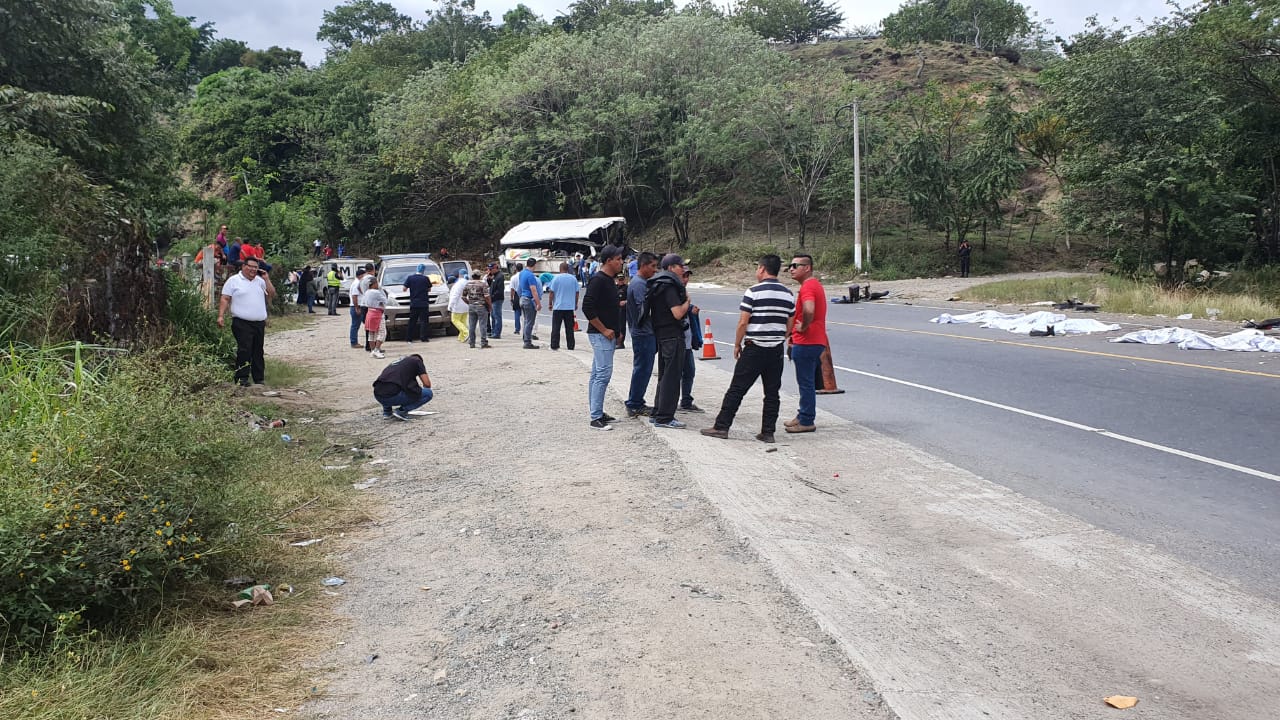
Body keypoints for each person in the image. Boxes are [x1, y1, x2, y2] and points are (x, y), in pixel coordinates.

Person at [700, 255, 794, 443]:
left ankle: (721, 426)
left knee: (737, 389)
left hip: (754, 348)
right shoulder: (788, 294)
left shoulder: (753, 292)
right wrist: (778, 337)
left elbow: (743, 322)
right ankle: (768, 432)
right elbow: (790, 324)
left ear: (762, 269)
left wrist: (737, 343)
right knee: (772, 393)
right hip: (775, 350)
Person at [582, 245, 625, 430]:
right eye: (618, 259)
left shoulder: (609, 280)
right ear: (609, 261)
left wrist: (617, 330)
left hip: (608, 333)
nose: (621, 262)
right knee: (603, 375)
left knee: (596, 374)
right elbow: (587, 308)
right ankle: (596, 417)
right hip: (600, 335)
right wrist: (604, 329)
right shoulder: (598, 280)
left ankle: (597, 411)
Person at [647, 254, 692, 429]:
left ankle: (658, 412)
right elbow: (678, 313)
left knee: (664, 377)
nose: (683, 269)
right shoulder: (669, 286)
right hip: (673, 336)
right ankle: (665, 417)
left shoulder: (658, 283)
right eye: (681, 266)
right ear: (671, 268)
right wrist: (687, 302)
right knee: (672, 378)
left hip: (662, 334)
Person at [785, 254, 828, 434]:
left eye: (796, 265)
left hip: (808, 342)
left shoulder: (808, 286)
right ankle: (802, 414)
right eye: (790, 265)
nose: (791, 269)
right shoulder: (813, 285)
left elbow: (809, 309)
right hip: (813, 341)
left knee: (806, 383)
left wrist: (803, 326)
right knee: (806, 381)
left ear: (807, 268)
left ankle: (807, 419)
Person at [217, 257, 275, 387]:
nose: (253, 269)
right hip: (241, 322)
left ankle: (259, 378)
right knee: (245, 349)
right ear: (243, 266)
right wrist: (220, 316)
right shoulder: (234, 281)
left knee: (258, 351)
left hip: (259, 322)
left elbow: (271, 294)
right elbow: (225, 298)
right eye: (251, 266)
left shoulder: (260, 281)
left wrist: (266, 278)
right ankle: (242, 378)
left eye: (256, 267)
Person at [624, 252, 659, 417]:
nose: (655, 270)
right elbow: (643, 310)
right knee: (642, 369)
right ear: (643, 265)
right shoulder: (639, 284)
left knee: (643, 368)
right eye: (652, 266)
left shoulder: (642, 282)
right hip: (643, 333)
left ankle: (636, 401)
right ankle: (635, 403)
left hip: (644, 332)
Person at [372, 353, 433, 421]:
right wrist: (417, 393)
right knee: (428, 393)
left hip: (378, 395)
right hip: (392, 396)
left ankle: (387, 413)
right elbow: (427, 384)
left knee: (389, 386)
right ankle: (401, 411)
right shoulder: (417, 361)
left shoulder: (396, 363)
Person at [678, 268, 703, 413]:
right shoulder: (674, 292)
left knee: (689, 371)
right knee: (675, 373)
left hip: (686, 340)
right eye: (683, 276)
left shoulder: (683, 292)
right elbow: (675, 310)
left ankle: (686, 400)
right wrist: (689, 308)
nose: (686, 279)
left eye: (687, 276)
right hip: (677, 340)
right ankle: (670, 403)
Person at [548, 262, 579, 350]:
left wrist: (550, 304)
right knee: (569, 328)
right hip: (569, 307)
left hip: (558, 307)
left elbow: (551, 292)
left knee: (556, 327)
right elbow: (577, 293)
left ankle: (554, 345)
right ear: (567, 269)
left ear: (560, 269)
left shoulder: (556, 278)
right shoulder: (573, 279)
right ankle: (571, 345)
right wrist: (575, 304)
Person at [404, 263, 433, 343]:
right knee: (424, 321)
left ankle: (409, 338)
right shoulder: (425, 278)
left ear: (416, 269)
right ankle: (424, 337)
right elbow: (429, 289)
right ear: (423, 270)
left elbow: (404, 288)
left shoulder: (410, 278)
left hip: (414, 303)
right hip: (423, 303)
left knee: (412, 321)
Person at [516, 259, 542, 349]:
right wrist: (538, 303)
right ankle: (527, 342)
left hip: (523, 298)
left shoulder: (522, 273)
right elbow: (533, 290)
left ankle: (525, 338)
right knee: (530, 322)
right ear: (534, 265)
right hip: (529, 299)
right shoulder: (531, 276)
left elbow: (519, 288)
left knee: (526, 321)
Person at [463, 271, 492, 349]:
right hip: (481, 305)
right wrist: (490, 305)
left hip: (472, 306)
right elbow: (486, 296)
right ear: (480, 276)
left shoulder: (468, 284)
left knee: (472, 325)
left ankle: (472, 343)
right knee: (483, 325)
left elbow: (463, 296)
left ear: (472, 276)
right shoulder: (483, 284)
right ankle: (483, 342)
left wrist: (469, 303)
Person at [362, 277, 388, 358]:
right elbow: (385, 300)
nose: (378, 285)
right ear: (373, 284)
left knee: (371, 333)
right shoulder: (376, 292)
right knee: (382, 332)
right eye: (377, 283)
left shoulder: (366, 292)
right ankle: (377, 350)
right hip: (378, 313)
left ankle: (373, 351)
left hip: (370, 312)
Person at [447, 273, 470, 343]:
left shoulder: (458, 284)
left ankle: (466, 333)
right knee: (463, 322)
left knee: (454, 320)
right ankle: (461, 337)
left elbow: (455, 296)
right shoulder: (467, 282)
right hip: (466, 305)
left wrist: (450, 306)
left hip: (458, 306)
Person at [487, 263, 505, 339]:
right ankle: (494, 331)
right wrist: (489, 279)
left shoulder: (500, 276)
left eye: (491, 269)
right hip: (492, 299)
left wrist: (493, 296)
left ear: (495, 268)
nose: (490, 271)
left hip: (497, 299)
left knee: (497, 316)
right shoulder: (494, 276)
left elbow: (500, 290)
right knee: (493, 316)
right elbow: (491, 286)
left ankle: (497, 333)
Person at [349, 268, 366, 349]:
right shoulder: (356, 283)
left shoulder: (357, 282)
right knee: (355, 325)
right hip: (356, 306)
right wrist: (357, 308)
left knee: (356, 325)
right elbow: (354, 296)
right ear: (361, 276)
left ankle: (354, 342)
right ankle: (354, 342)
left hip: (357, 306)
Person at [508, 263, 523, 338]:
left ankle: (517, 329)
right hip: (524, 294)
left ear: (516, 269)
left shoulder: (513, 277)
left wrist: (511, 298)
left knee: (517, 312)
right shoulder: (524, 276)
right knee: (525, 313)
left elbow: (512, 289)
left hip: (517, 295)